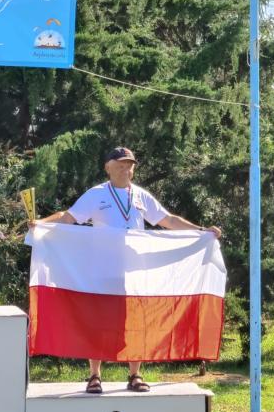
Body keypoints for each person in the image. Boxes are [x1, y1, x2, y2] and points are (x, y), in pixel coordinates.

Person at [30, 147, 221, 393]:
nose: (125, 168)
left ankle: (135, 375)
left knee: (135, 325)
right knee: (98, 323)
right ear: (107, 167)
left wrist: (201, 230)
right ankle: (94, 376)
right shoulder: (96, 194)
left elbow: (168, 220)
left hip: (134, 273)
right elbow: (68, 218)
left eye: (129, 164)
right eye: (120, 164)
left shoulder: (141, 196)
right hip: (102, 272)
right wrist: (42, 224)